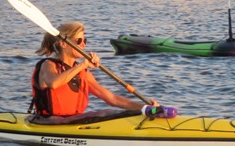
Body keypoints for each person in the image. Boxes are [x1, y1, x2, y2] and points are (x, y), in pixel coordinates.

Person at [31, 21, 173, 121]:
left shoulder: (82, 73)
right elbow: (53, 83)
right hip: (48, 121)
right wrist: (83, 65)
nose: (84, 45)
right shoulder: (48, 65)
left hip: (71, 121)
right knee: (104, 114)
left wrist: (144, 107)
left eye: (84, 40)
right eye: (78, 41)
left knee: (110, 112)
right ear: (63, 44)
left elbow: (112, 99)